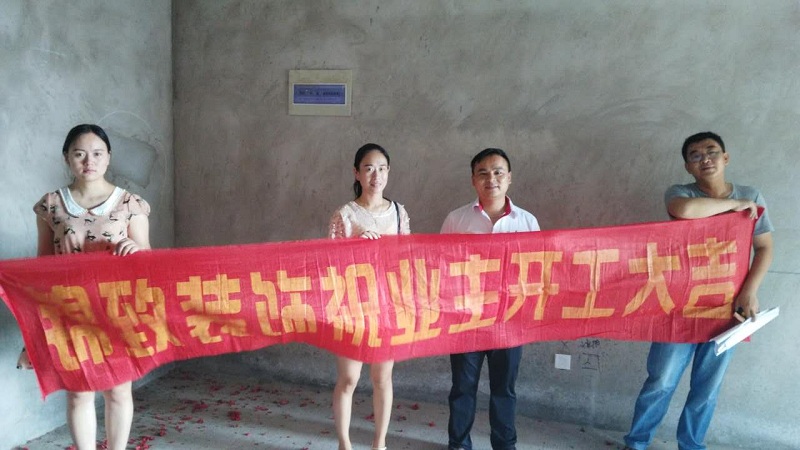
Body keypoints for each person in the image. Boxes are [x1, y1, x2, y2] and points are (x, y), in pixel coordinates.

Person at [623, 132, 774, 450]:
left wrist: (749, 292)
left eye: (712, 151)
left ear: (725, 158)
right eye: (695, 155)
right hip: (678, 304)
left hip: (727, 307)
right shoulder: (681, 193)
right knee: (661, 381)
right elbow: (685, 210)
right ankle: (636, 443)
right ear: (688, 166)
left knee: (707, 387)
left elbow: (764, 248)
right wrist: (735, 205)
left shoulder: (752, 195)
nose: (705, 158)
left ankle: (691, 445)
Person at [16, 124, 151, 450]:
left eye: (97, 154)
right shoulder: (51, 205)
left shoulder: (130, 204)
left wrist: (135, 250)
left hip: (117, 309)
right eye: (79, 154)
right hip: (70, 309)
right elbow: (43, 263)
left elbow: (149, 259)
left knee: (118, 390)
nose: (89, 161)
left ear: (108, 158)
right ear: (67, 158)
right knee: (79, 392)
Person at [441, 148, 540, 450]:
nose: (491, 179)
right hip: (466, 320)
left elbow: (537, 274)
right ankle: (459, 444)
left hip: (509, 322)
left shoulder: (527, 222)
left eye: (498, 172)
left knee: (504, 390)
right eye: (482, 173)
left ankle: (505, 444)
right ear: (473, 180)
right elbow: (441, 267)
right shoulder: (457, 220)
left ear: (509, 178)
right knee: (462, 388)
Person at [328, 143, 411, 450]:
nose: (376, 175)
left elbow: (406, 259)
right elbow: (330, 265)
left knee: (382, 378)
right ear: (357, 173)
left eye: (382, 168)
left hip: (386, 305)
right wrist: (356, 247)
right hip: (350, 305)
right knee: (348, 379)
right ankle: (345, 443)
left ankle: (380, 443)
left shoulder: (399, 213)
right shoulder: (344, 215)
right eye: (369, 168)